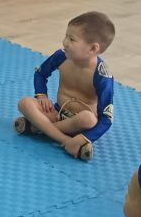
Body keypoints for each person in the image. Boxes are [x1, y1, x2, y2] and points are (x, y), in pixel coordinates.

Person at [14, 11, 115, 161]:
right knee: (25, 103)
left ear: (93, 49)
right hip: (56, 113)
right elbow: (41, 74)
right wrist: (42, 95)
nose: (64, 42)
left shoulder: (102, 75)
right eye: (66, 36)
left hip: (79, 124)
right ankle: (66, 140)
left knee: (89, 119)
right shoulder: (62, 56)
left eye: (72, 39)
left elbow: (106, 118)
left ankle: (37, 128)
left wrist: (86, 137)